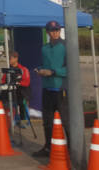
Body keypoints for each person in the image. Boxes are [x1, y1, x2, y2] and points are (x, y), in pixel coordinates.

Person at [32, 21, 69, 158]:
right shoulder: (45, 48)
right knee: (47, 121)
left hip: (61, 88)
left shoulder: (66, 46)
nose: (55, 33)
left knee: (66, 121)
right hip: (47, 87)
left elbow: (71, 68)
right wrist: (40, 69)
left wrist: (53, 72)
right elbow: (45, 64)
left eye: (57, 30)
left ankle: (71, 150)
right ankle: (48, 147)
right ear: (47, 32)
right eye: (52, 31)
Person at [0, 51, 31, 127]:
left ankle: (23, 120)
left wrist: (18, 83)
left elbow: (26, 82)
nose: (9, 60)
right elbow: (4, 80)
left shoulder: (23, 69)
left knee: (21, 101)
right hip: (9, 90)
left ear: (16, 58)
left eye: (10, 58)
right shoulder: (8, 69)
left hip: (20, 91)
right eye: (8, 59)